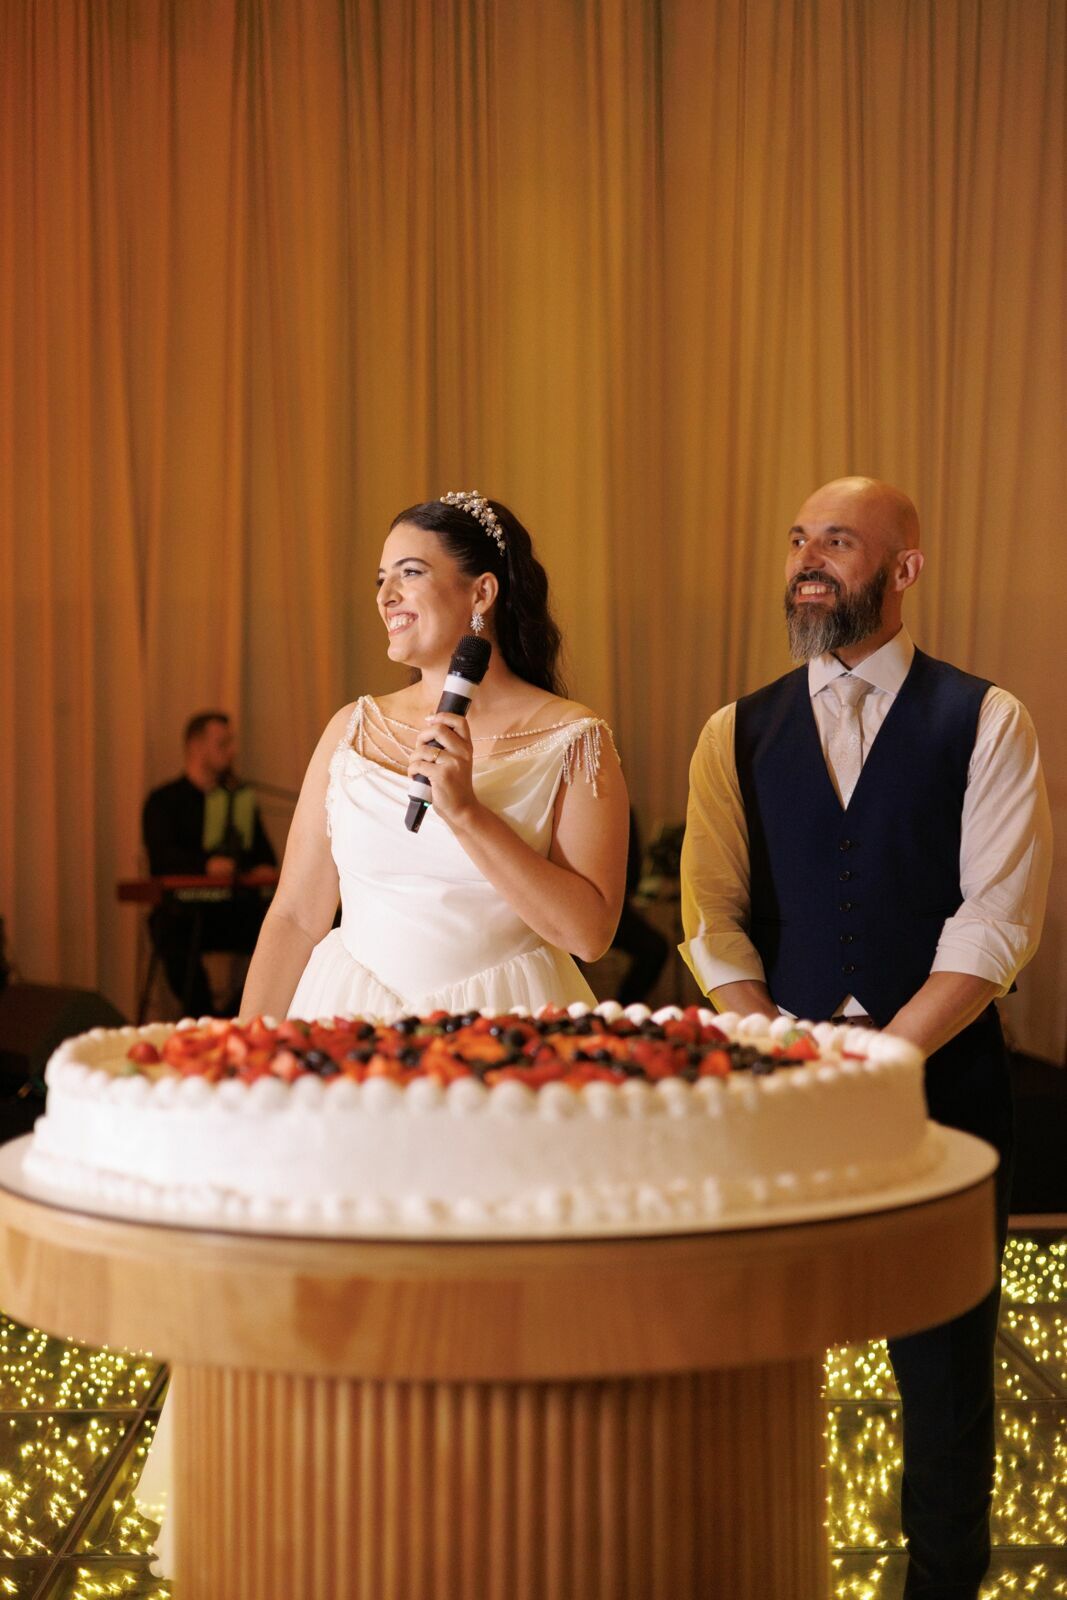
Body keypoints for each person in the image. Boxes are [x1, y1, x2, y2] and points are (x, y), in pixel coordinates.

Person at [680, 476, 1051, 1600]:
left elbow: (994, 916)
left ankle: (941, 1584)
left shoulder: (985, 719)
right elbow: (709, 916)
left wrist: (889, 1053)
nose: (806, 559)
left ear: (903, 568)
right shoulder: (730, 731)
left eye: (836, 542)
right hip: (776, 1098)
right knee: (752, 1358)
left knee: (944, 1370)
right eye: (797, 539)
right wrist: (778, 1053)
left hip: (941, 1091)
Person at [240, 492, 629, 1022]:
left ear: (481, 593)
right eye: (381, 580)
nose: (386, 596)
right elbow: (294, 917)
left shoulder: (575, 740)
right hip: (348, 1016)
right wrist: (245, 1048)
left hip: (502, 1025)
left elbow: (589, 935)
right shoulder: (351, 730)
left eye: (410, 573)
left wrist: (467, 813)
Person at [142, 711, 277, 1017]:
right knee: (170, 937)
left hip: (232, 910)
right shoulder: (163, 801)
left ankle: (232, 1017)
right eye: (223, 743)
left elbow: (266, 856)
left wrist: (259, 869)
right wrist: (206, 866)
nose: (232, 750)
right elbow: (161, 859)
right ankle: (204, 1019)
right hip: (183, 914)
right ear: (196, 746)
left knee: (284, 935)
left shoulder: (239, 799)